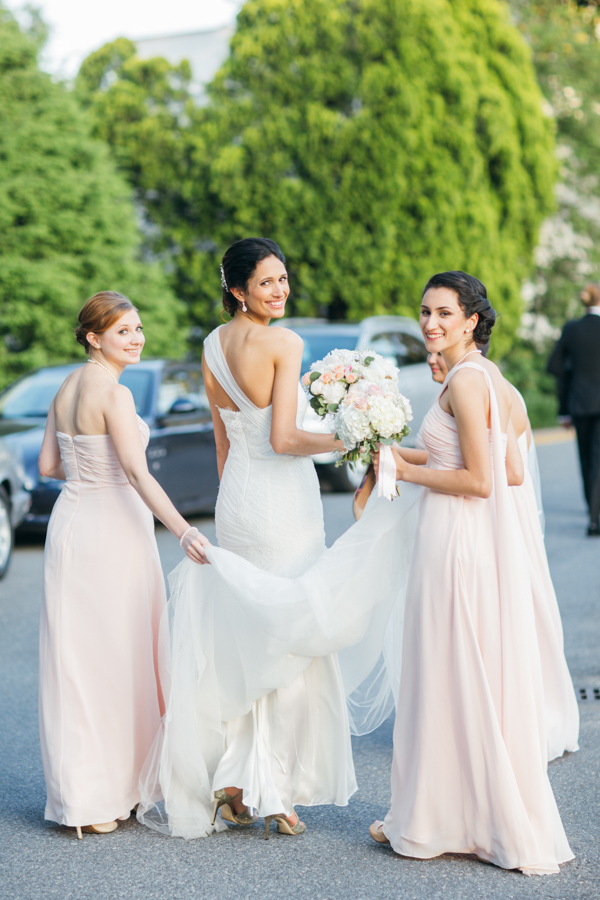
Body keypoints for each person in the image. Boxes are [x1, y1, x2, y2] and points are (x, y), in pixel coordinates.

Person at [137, 238, 419, 840]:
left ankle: (236, 785)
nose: (280, 291)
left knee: (250, 634)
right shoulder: (284, 343)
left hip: (238, 497)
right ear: (238, 288)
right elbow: (287, 439)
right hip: (282, 500)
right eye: (267, 282)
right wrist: (349, 436)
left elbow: (225, 442)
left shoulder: (213, 345)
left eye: (284, 279)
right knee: (292, 634)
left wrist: (230, 499)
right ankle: (271, 790)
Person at [369, 271, 573, 875]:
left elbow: (480, 481)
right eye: (425, 311)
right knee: (458, 675)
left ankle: (436, 817)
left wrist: (404, 473)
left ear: (471, 321)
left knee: (446, 672)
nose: (430, 323)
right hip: (465, 545)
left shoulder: (465, 381)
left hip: (455, 544)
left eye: (443, 313)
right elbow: (508, 470)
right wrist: (387, 450)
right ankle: (452, 814)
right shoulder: (486, 377)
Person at [38, 291, 209, 840]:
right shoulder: (111, 393)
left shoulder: (66, 386)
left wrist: (90, 476)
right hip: (112, 531)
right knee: (118, 658)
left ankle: (85, 798)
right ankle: (113, 789)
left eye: (138, 328)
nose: (136, 339)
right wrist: (183, 530)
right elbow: (137, 474)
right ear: (95, 337)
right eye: (123, 331)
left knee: (78, 660)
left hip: (71, 525)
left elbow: (48, 465)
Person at [426, 351, 579, 761]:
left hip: (507, 516)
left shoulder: (487, 387)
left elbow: (507, 472)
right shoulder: (481, 382)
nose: (430, 362)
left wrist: (405, 471)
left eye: (436, 356)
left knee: (514, 617)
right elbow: (455, 456)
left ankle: (524, 715)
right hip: (498, 513)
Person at [547, 283, 600, 536]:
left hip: (580, 403)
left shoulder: (572, 329)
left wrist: (573, 372)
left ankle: (592, 508)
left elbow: (554, 365)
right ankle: (595, 518)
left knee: (586, 459)